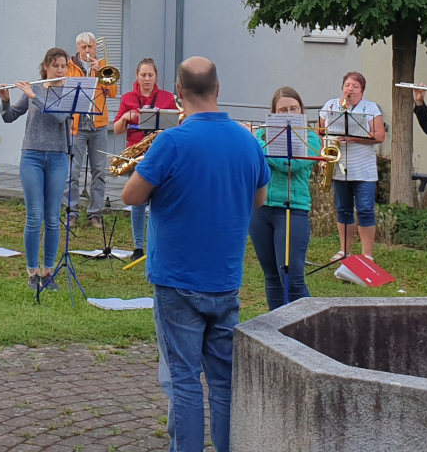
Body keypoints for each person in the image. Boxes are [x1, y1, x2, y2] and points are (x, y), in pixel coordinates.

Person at [120, 57, 267, 452]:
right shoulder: (248, 142)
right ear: (218, 89)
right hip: (225, 279)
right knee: (223, 382)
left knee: (183, 381)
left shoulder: (172, 141)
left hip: (177, 279)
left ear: (178, 92)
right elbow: (259, 198)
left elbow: (131, 195)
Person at [0, 47, 74, 292]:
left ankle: (48, 271)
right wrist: (5, 100)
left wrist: (34, 96)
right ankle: (32, 272)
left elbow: (60, 116)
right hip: (31, 155)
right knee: (34, 216)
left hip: (58, 157)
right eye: (55, 66)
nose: (60, 70)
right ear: (46, 67)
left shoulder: (69, 91)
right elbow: (10, 117)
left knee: (52, 217)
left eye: (63, 66)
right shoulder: (35, 88)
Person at [250, 87, 314, 310]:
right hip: (261, 208)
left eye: (293, 108)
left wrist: (258, 145)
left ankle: (313, 324)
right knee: (271, 277)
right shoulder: (262, 134)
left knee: (292, 279)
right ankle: (276, 326)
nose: (288, 114)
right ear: (274, 113)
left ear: (301, 109)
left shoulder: (310, 138)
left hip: (292, 209)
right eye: (282, 110)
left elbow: (291, 165)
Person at [114, 58, 177, 259]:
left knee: (160, 202)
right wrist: (126, 117)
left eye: (150, 75)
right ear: (137, 76)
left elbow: (176, 127)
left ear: (156, 76)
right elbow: (117, 129)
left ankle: (158, 246)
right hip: (136, 156)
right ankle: (138, 247)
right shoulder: (128, 98)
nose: (147, 79)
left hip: (160, 155)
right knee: (138, 203)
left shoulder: (167, 98)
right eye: (143, 75)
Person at [322, 71, 384, 267]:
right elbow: (321, 131)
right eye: (347, 85)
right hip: (339, 166)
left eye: (355, 86)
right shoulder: (331, 106)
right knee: (343, 209)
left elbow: (379, 136)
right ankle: (344, 251)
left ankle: (367, 255)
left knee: (365, 210)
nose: (350, 89)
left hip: (363, 169)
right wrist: (324, 154)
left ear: (362, 91)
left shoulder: (370, 108)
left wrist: (354, 138)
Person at [65, 32, 113, 227]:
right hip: (78, 125)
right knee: (72, 172)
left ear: (95, 48)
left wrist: (100, 71)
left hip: (98, 125)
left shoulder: (102, 64)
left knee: (99, 171)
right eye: (83, 47)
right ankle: (72, 212)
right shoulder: (70, 66)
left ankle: (95, 213)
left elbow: (112, 92)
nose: (87, 50)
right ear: (78, 48)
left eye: (90, 47)